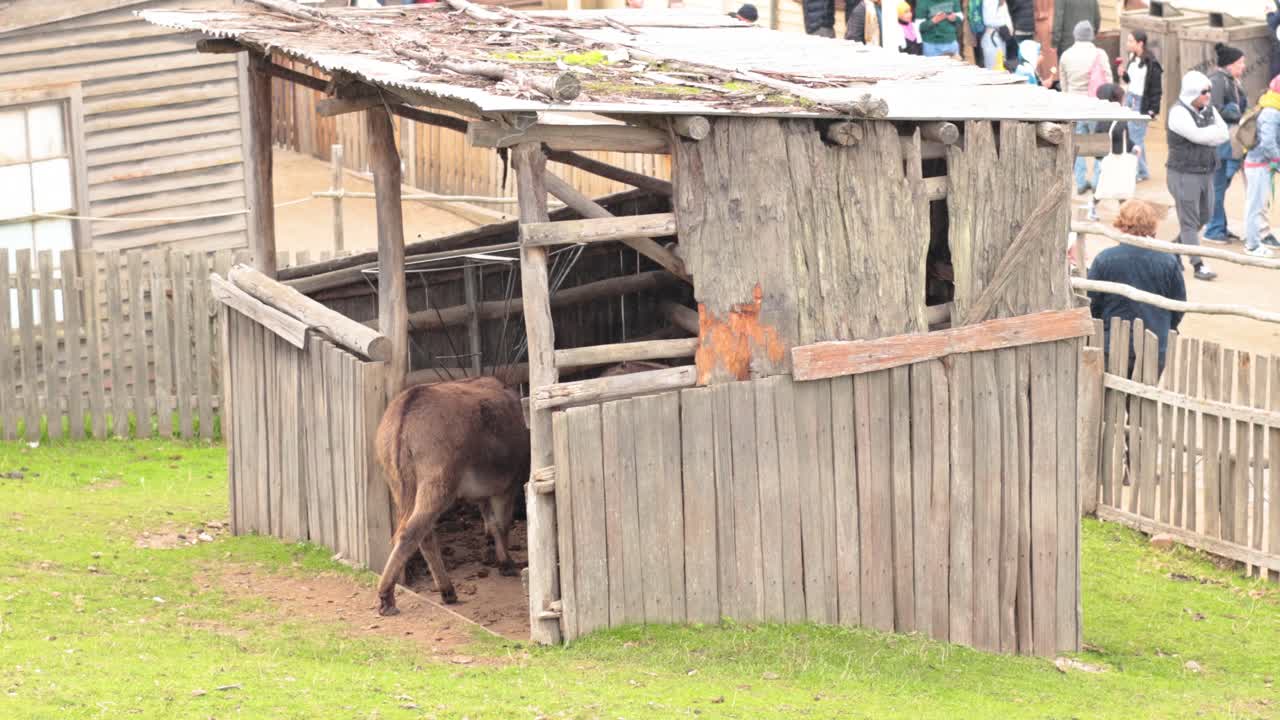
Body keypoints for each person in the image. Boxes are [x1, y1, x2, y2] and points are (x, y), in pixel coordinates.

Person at [1088, 199, 1186, 373]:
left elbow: (1092, 303)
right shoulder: (1168, 260)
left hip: (1114, 342)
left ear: (1121, 225)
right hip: (1154, 341)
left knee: (1110, 396)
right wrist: (1165, 326)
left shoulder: (1105, 259)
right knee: (1146, 396)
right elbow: (1178, 305)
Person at [1167, 70, 1230, 282]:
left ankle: (1173, 248)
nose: (1208, 95)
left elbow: (1224, 134)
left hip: (1205, 171)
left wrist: (1209, 135)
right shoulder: (1177, 112)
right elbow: (1197, 136)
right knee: (1189, 221)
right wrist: (1211, 135)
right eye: (1204, 92)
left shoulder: (1209, 110)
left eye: (1209, 91)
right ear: (1193, 92)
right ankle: (1198, 264)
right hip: (1183, 173)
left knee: (1206, 215)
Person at [1204, 43, 1248, 244]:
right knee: (1218, 186)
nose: (1243, 66)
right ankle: (1214, 229)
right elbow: (1213, 109)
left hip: (1227, 141)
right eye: (1240, 62)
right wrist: (1234, 112)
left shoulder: (1230, 80)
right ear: (1230, 65)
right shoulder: (1218, 81)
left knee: (1221, 185)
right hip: (1220, 142)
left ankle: (1219, 225)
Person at [1059, 21, 1109, 194]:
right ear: (1091, 35)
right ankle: (1096, 181)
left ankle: (1080, 181)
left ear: (1075, 34)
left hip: (1074, 105)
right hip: (1095, 105)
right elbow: (1108, 80)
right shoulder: (1099, 54)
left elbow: (1063, 85)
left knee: (1076, 144)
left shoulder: (1066, 55)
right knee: (1099, 143)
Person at [1086, 84, 1141, 222]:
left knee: (1111, 187)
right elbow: (1119, 135)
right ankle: (1093, 206)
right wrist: (1125, 117)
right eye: (1123, 97)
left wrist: (1132, 146)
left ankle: (1123, 214)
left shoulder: (1103, 115)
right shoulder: (1117, 116)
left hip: (1104, 157)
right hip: (1112, 158)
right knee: (1109, 186)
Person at [1242, 75, 1280, 258]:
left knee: (1257, 205)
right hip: (1258, 165)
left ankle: (1254, 241)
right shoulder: (1272, 112)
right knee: (1255, 207)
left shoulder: (1271, 107)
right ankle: (1252, 245)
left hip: (1260, 164)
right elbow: (1268, 143)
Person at [1119, 31, 1163, 182]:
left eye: (1131, 41)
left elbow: (1156, 89)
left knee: (1135, 137)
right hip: (1130, 98)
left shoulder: (1152, 64)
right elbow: (1130, 80)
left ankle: (1137, 171)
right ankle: (1142, 170)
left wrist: (1153, 109)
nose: (1128, 44)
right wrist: (1123, 74)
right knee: (1135, 137)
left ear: (1140, 43)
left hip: (1141, 102)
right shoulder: (1132, 58)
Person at [978, 0, 1011, 70]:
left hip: (999, 38)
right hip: (992, 39)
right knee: (993, 71)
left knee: (1001, 69)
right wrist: (1005, 23)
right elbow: (988, 20)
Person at [1006, 0, 1034, 69]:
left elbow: (1010, 10)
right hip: (1031, 29)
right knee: (1029, 57)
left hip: (1019, 28)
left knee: (1018, 58)